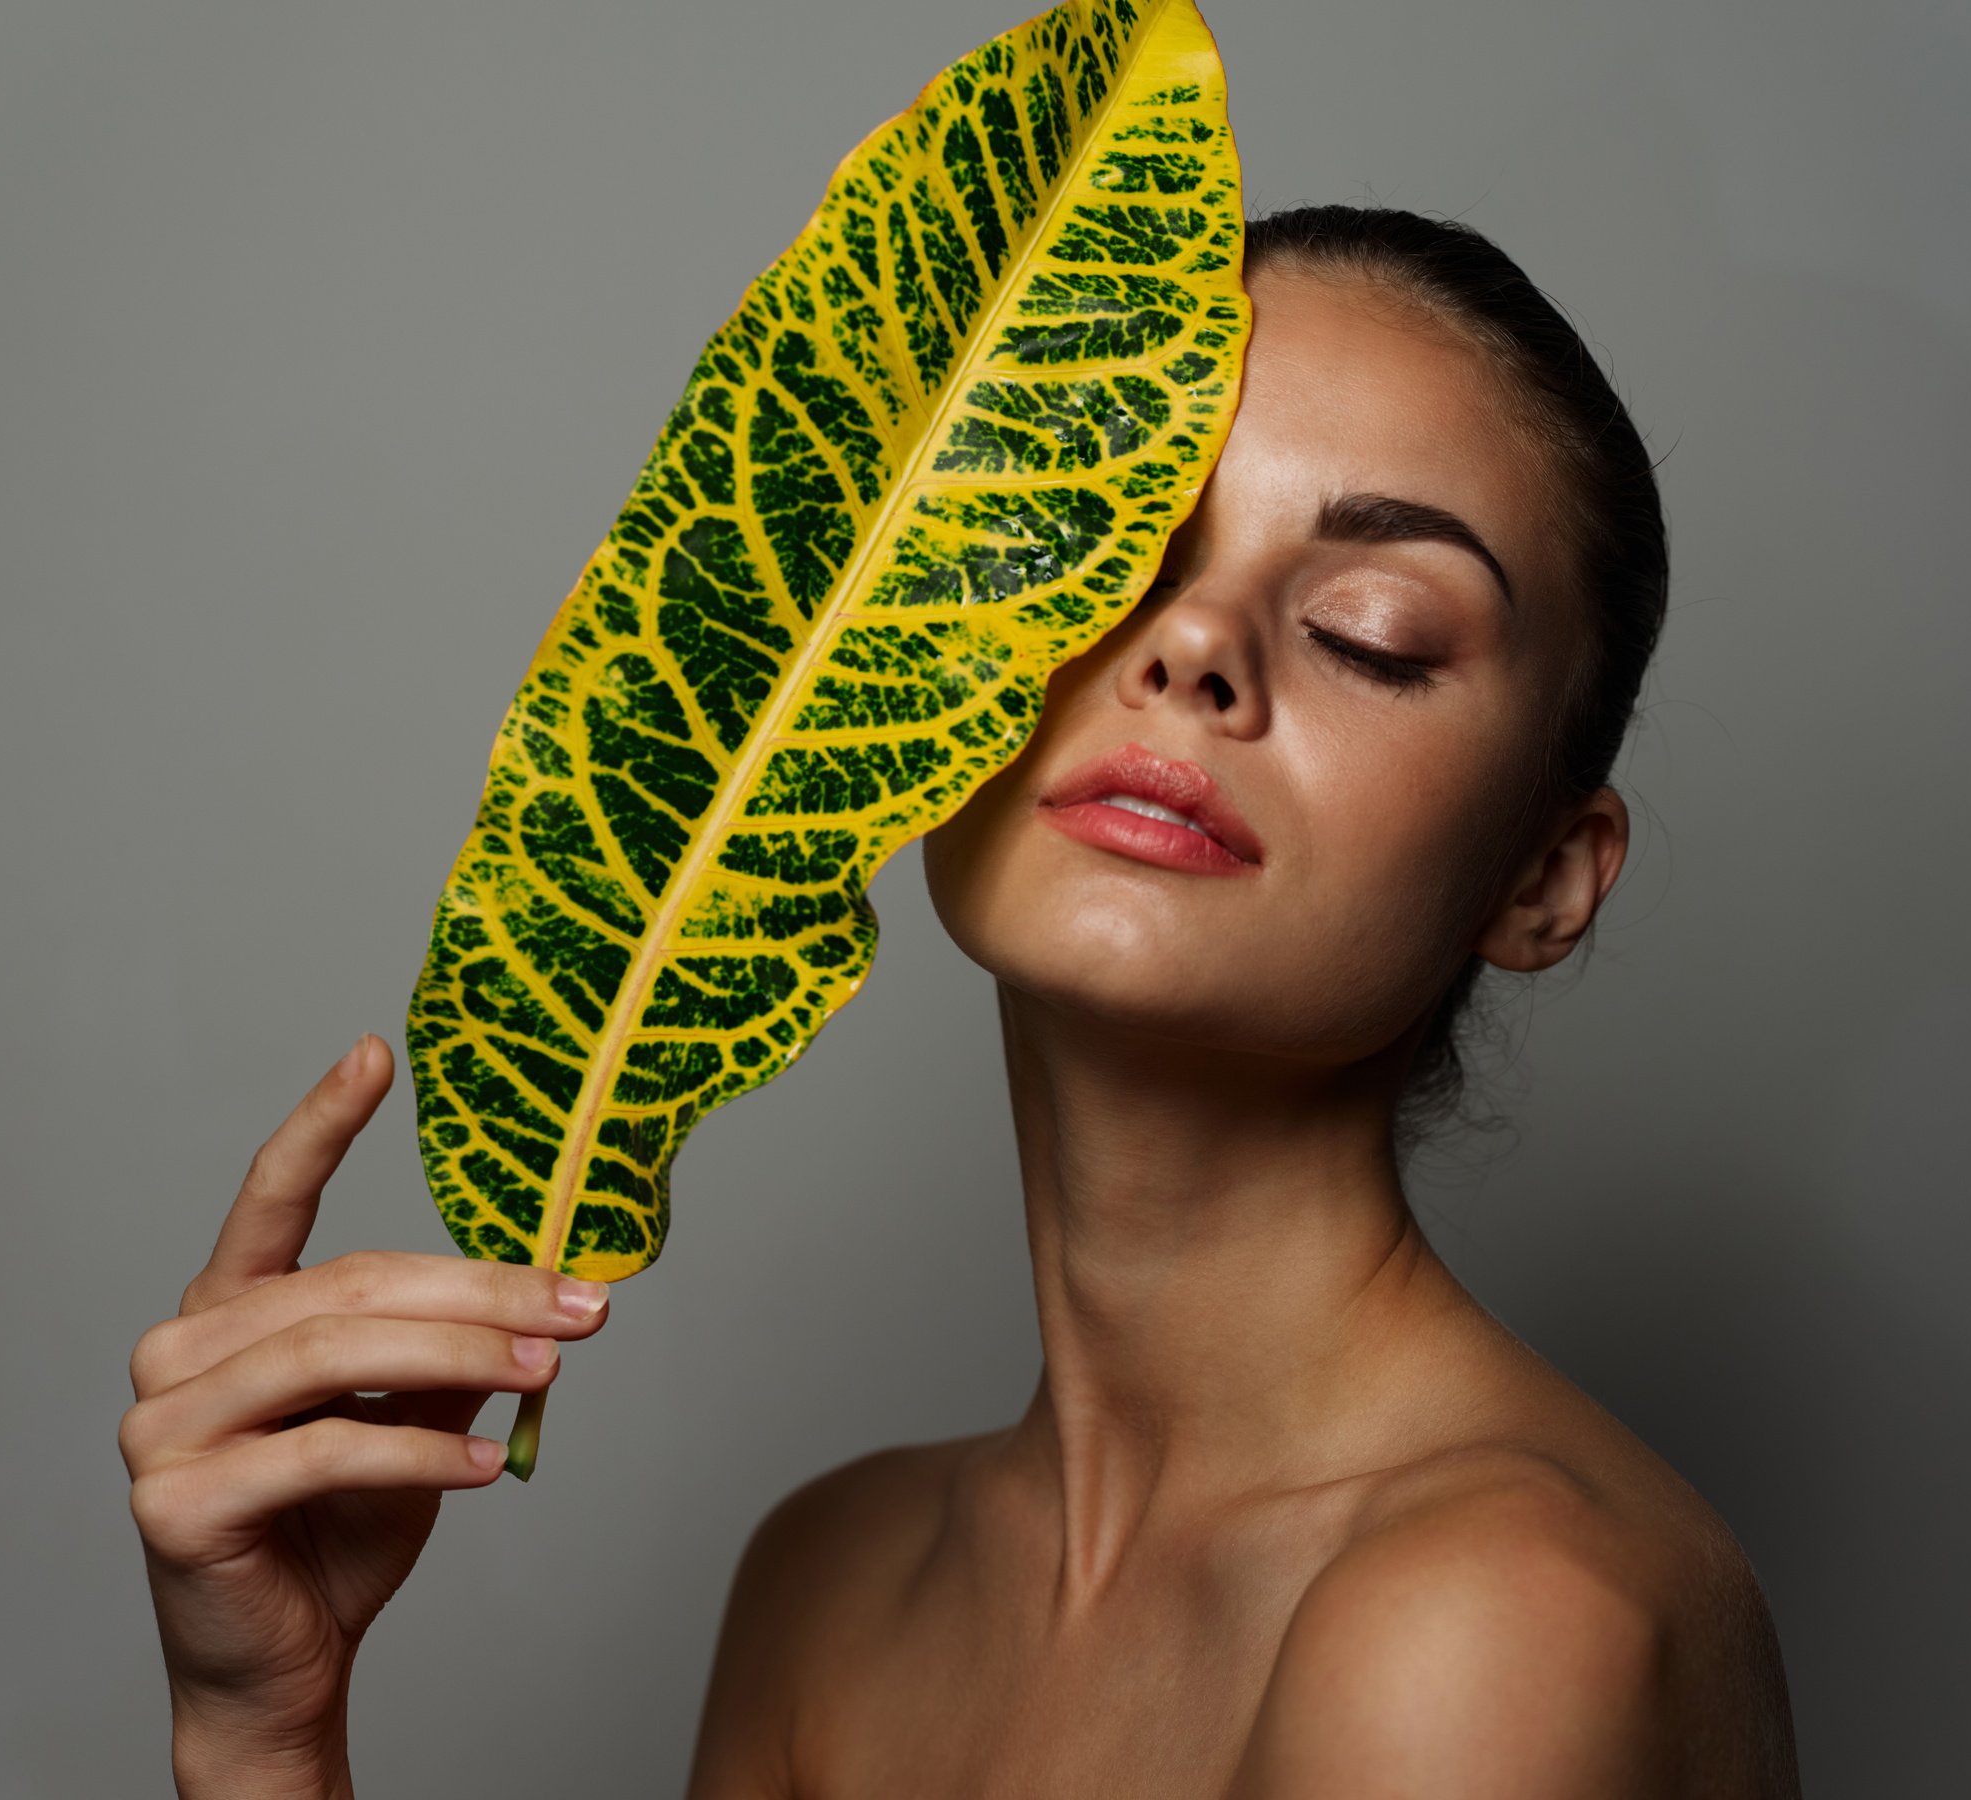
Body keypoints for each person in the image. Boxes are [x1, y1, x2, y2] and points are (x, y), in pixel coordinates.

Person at [120, 204, 1802, 1797]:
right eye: (1115, 549)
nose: (1195, 644)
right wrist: (265, 1742)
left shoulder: (1490, 1622)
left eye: (1371, 629)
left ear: (1546, 879)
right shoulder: (830, 1587)